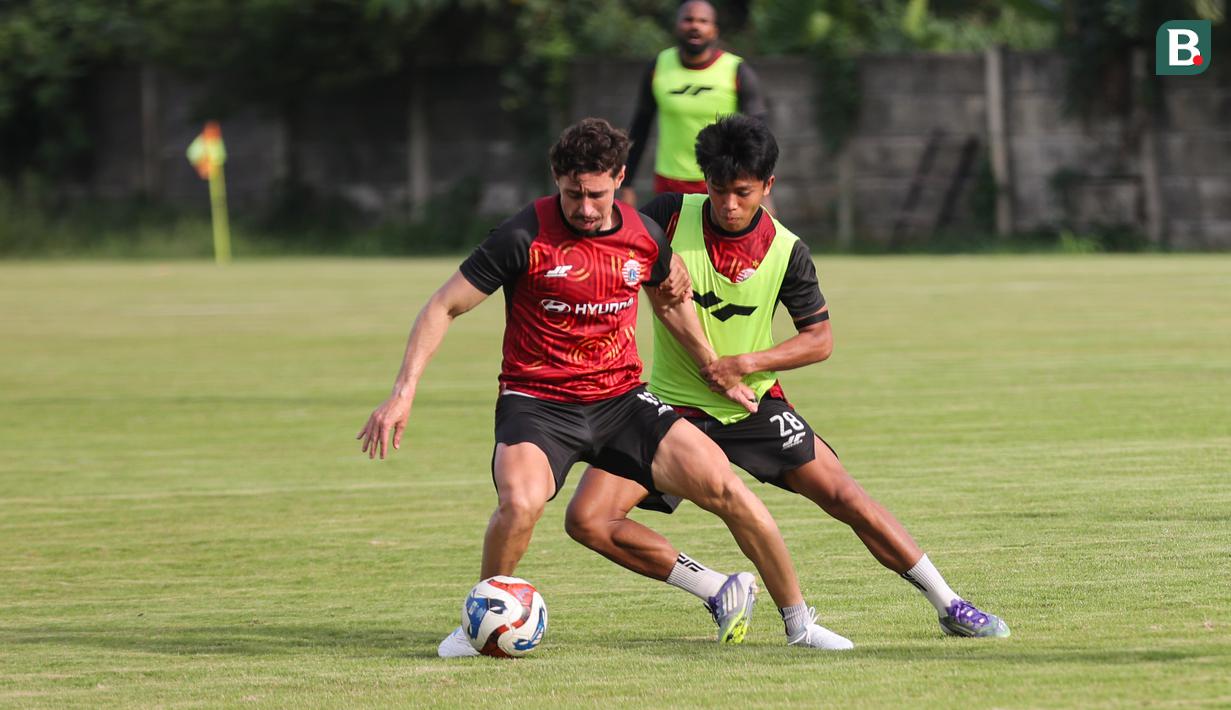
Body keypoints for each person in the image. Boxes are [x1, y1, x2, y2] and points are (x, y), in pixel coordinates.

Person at [356, 117, 853, 657]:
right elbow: (443, 305)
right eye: (573, 194)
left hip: (621, 402)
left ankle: (799, 623)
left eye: (596, 194)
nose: (586, 208)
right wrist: (402, 393)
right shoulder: (523, 234)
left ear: (618, 178)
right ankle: (483, 622)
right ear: (556, 180)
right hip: (538, 402)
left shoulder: (643, 234)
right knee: (521, 504)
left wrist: (716, 367)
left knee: (728, 490)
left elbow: (669, 301)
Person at [565, 115, 1011, 641]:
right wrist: (654, 261)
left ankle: (950, 604)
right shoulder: (665, 216)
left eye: (743, 192)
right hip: (666, 411)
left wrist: (747, 364)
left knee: (846, 497)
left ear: (767, 186)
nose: (729, 205)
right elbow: (606, 237)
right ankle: (715, 588)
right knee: (589, 519)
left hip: (751, 407)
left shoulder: (786, 250)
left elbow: (819, 340)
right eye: (717, 190)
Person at [619, 0, 768, 206]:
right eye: (688, 19)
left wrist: (760, 185)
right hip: (668, 184)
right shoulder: (659, 66)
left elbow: (759, 134)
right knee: (666, 239)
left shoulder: (736, 70)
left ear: (714, 30)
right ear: (677, 26)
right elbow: (640, 127)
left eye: (703, 21)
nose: (695, 26)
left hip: (721, 182)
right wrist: (626, 183)